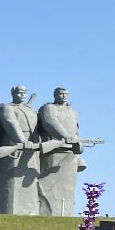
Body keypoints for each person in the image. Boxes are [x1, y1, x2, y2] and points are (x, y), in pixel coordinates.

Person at [0, 85, 40, 215]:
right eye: (19, 92)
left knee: (29, 182)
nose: (22, 95)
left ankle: (30, 212)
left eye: (24, 92)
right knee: (12, 181)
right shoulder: (7, 108)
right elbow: (11, 124)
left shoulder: (30, 109)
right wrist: (22, 140)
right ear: (13, 93)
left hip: (31, 146)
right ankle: (8, 210)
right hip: (14, 144)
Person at [36, 86, 83, 216]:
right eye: (61, 94)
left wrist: (76, 142)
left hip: (70, 152)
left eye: (66, 94)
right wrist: (65, 136)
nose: (64, 96)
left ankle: (65, 213)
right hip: (53, 151)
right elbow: (50, 123)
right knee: (48, 186)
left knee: (67, 190)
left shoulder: (73, 111)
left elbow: (76, 130)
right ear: (55, 95)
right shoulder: (49, 108)